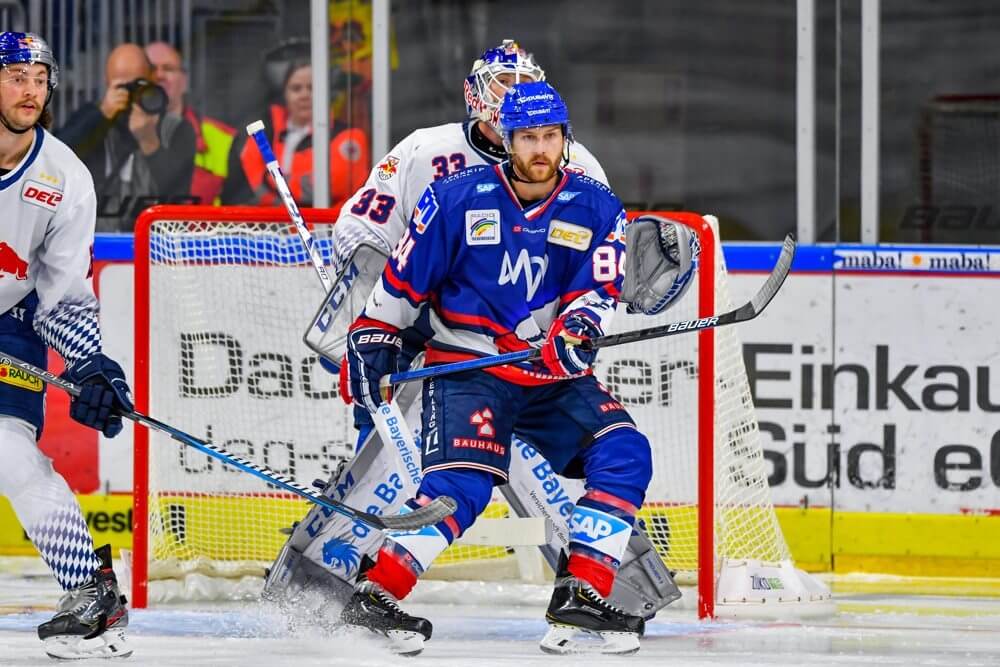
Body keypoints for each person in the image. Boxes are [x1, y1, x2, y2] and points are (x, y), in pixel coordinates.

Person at [339, 81, 651, 656]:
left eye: (550, 137)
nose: (540, 149)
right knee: (461, 487)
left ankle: (583, 591)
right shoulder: (456, 197)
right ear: (506, 140)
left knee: (626, 452)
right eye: (528, 137)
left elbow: (599, 286)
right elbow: (405, 280)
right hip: (468, 368)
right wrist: (372, 335)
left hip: (549, 375)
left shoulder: (597, 204)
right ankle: (375, 592)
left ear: (565, 139)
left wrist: (578, 329)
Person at [0, 32, 134, 659]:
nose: (29, 91)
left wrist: (88, 365)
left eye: (38, 78)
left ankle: (90, 590)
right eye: (15, 76)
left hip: (12, 322)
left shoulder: (64, 177)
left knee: (8, 451)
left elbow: (64, 293)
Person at [56, 43, 195, 231]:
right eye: (121, 86)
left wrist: (148, 140)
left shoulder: (175, 128)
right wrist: (102, 115)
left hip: (155, 245)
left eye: (137, 85)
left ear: (152, 78)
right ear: (107, 83)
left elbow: (178, 193)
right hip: (96, 244)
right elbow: (57, 161)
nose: (129, 94)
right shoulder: (90, 118)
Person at [222, 58, 369, 207]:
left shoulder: (350, 136)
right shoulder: (264, 131)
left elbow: (326, 187)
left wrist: (266, 180)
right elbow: (244, 186)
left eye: (312, 88)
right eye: (296, 88)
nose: (304, 95)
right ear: (284, 94)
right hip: (274, 227)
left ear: (327, 93)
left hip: (327, 227)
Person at [145, 41, 236, 206]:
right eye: (150, 69)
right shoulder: (119, 135)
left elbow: (240, 207)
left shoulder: (223, 138)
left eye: (168, 68)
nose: (159, 75)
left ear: (184, 81)